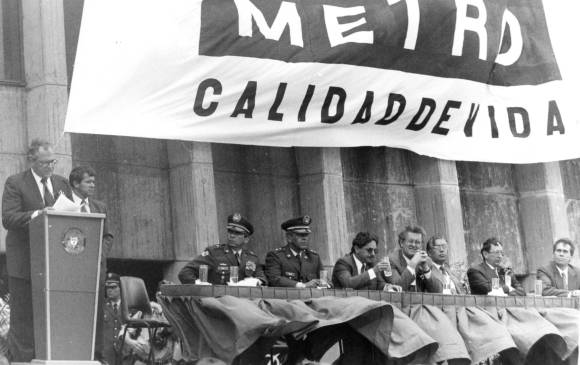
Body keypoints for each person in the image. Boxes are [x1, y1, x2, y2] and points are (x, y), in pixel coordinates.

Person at [1, 139, 72, 362]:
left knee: (53, 316)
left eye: (53, 162)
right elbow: (8, 219)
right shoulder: (15, 183)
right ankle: (22, 361)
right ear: (31, 161)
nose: (50, 167)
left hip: (55, 263)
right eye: (45, 163)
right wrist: (38, 214)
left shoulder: (61, 183)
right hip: (25, 262)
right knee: (23, 319)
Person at [69, 165, 115, 362]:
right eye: (88, 181)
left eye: (94, 182)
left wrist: (99, 255)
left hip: (96, 268)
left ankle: (97, 358)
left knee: (96, 313)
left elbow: (108, 235)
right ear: (75, 183)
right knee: (74, 312)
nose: (93, 185)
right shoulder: (64, 204)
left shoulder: (100, 207)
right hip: (72, 269)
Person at [179, 213, 267, 285]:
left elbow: (263, 279)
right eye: (230, 231)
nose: (232, 236)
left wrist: (255, 282)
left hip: (245, 301)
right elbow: (185, 273)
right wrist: (200, 285)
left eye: (237, 233)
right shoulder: (214, 253)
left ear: (246, 239)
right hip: (219, 301)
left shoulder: (252, 258)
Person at [265, 216, 324, 288]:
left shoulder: (314, 257)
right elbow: (274, 279)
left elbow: (325, 280)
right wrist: (303, 285)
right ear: (289, 237)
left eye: (306, 235)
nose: (304, 238)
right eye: (300, 235)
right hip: (286, 298)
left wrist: (323, 284)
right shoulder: (276, 256)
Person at [332, 232, 399, 291]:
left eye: (375, 251)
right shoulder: (343, 263)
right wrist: (373, 271)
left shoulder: (371, 263)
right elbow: (349, 284)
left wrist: (388, 287)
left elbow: (379, 284)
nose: (373, 254)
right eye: (369, 250)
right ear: (357, 249)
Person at [388, 225, 443, 292]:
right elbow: (396, 289)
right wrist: (412, 265)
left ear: (421, 245)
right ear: (402, 243)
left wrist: (426, 269)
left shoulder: (427, 261)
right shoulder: (391, 261)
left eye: (417, 242)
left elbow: (438, 291)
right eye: (410, 241)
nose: (414, 245)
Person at [102, 273, 123, 365]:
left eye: (113, 287)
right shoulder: (101, 306)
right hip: (106, 354)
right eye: (107, 288)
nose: (109, 290)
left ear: (120, 288)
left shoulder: (129, 306)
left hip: (124, 353)